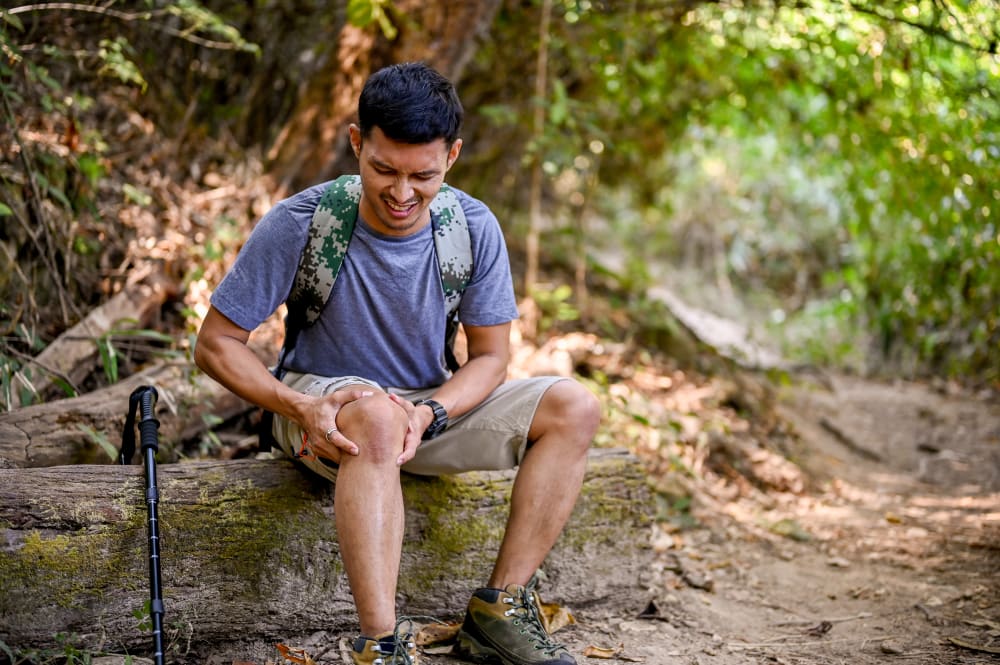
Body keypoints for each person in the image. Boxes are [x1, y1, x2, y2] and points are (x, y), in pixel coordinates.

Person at [194, 61, 600, 665]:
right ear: (357, 142)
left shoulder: (472, 228)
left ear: (453, 156)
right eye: (384, 169)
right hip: (322, 412)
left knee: (575, 405)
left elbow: (490, 359)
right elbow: (215, 343)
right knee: (376, 415)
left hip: (421, 415)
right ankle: (380, 646)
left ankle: (500, 611)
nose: (402, 193)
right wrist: (298, 405)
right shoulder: (304, 222)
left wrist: (430, 411)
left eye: (423, 176)